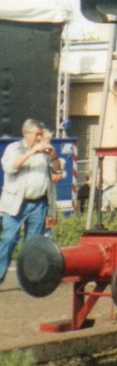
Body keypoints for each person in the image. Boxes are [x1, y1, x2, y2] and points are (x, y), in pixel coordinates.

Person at [0, 119, 57, 283]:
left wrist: (53, 156)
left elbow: (58, 170)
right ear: (26, 134)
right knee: (9, 239)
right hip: (16, 203)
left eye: (41, 134)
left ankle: (26, 279)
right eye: (36, 134)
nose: (39, 138)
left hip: (38, 203)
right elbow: (10, 167)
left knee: (33, 244)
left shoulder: (45, 152)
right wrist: (32, 152)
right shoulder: (14, 148)